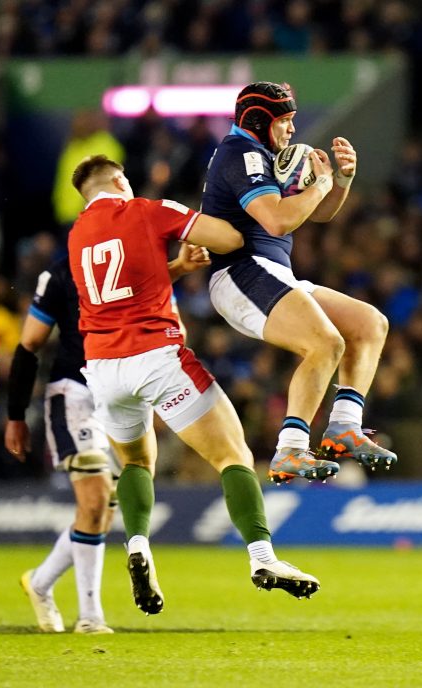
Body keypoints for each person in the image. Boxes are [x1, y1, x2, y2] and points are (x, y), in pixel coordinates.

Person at [68, 155, 321, 615]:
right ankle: (263, 558)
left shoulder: (78, 234)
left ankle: (139, 543)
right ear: (121, 180)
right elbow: (229, 238)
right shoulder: (147, 208)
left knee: (136, 465)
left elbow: (130, 285)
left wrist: (179, 268)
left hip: (103, 368)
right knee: (233, 455)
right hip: (156, 357)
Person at [5, 241, 210, 635]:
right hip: (75, 394)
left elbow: (174, 328)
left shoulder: (139, 265)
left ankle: (41, 582)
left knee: (105, 508)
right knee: (97, 499)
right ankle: (90, 616)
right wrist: (15, 415)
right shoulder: (61, 273)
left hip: (122, 394)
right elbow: (29, 344)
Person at [200, 81, 396, 484]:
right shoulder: (242, 154)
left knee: (368, 324)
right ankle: (289, 450)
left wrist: (340, 181)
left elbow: (317, 215)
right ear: (258, 120)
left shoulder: (263, 154)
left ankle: (344, 427)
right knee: (325, 343)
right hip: (241, 272)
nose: (292, 128)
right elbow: (277, 220)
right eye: (284, 120)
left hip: (270, 272)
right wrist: (320, 184)